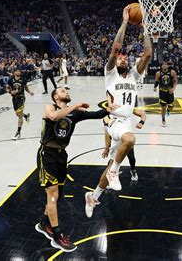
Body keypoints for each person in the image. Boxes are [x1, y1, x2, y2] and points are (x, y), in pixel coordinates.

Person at [84, 5, 152, 218]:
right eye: (120, 57)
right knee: (130, 140)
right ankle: (115, 173)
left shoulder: (134, 75)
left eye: (125, 58)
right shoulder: (110, 74)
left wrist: (145, 27)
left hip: (125, 123)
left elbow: (148, 53)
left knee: (113, 162)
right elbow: (115, 48)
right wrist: (125, 21)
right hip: (112, 121)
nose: (123, 58)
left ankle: (93, 197)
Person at [35, 87, 114, 252]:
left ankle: (44, 222)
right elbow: (54, 116)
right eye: (63, 91)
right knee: (53, 195)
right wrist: (75, 106)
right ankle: (57, 237)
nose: (66, 92)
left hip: (61, 156)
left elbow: (96, 114)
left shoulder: (75, 113)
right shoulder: (50, 108)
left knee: (58, 194)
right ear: (56, 96)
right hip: (47, 154)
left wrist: (108, 108)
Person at [102, 108, 146, 182]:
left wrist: (141, 122)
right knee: (111, 162)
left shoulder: (127, 107)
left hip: (127, 139)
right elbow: (107, 133)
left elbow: (143, 114)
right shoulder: (108, 115)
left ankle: (133, 170)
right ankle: (110, 178)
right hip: (115, 141)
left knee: (132, 158)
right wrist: (106, 148)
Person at [7, 68, 34, 140]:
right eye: (17, 71)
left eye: (19, 71)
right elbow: (7, 88)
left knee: (19, 115)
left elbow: (26, 87)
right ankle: (26, 116)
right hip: (14, 99)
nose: (18, 72)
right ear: (14, 72)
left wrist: (29, 92)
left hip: (21, 98)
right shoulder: (11, 80)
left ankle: (18, 132)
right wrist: (10, 92)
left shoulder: (23, 79)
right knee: (18, 114)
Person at [154, 60, 178, 127]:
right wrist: (155, 87)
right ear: (161, 66)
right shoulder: (158, 73)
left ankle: (168, 111)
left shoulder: (172, 72)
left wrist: (173, 89)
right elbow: (156, 81)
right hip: (162, 92)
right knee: (163, 107)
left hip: (170, 92)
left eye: (165, 64)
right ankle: (163, 119)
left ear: (167, 65)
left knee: (171, 107)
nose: (164, 65)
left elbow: (175, 81)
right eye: (163, 64)